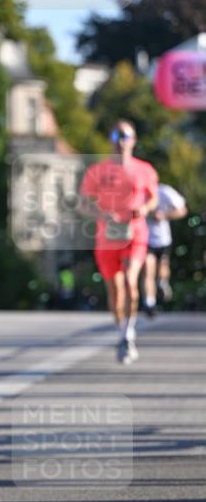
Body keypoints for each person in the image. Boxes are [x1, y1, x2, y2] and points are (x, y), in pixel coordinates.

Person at [78, 120, 158, 364]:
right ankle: (122, 331)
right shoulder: (97, 171)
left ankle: (128, 333)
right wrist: (102, 215)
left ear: (133, 140)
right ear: (110, 140)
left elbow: (153, 199)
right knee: (116, 289)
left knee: (132, 283)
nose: (121, 141)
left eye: (126, 136)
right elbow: (83, 204)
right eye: (116, 136)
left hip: (135, 234)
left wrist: (143, 209)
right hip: (107, 237)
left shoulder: (145, 169)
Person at [142, 183, 187, 315]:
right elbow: (128, 214)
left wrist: (164, 215)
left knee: (162, 267)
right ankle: (149, 302)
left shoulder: (164, 191)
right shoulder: (137, 193)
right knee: (147, 270)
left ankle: (162, 283)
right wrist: (143, 213)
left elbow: (182, 210)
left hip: (162, 239)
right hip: (144, 239)